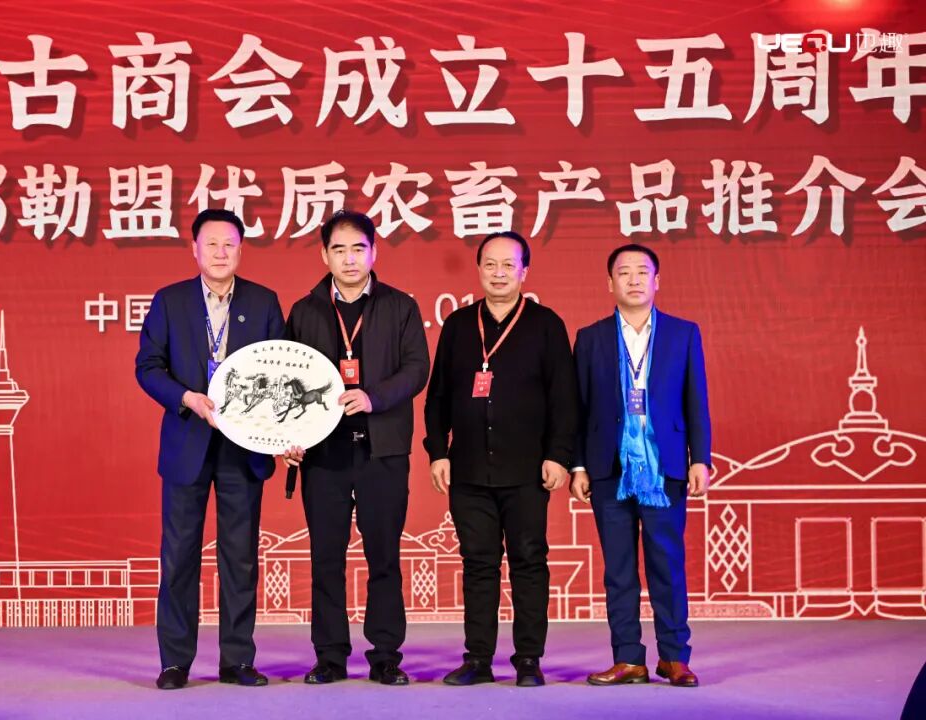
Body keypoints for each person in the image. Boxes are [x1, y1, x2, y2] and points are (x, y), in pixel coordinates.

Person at [136, 208, 284, 690]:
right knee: (179, 555)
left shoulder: (263, 301)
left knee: (239, 556)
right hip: (188, 440)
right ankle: (174, 662)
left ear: (241, 250)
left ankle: (237, 660)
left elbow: (281, 374)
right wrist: (186, 398)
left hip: (244, 446)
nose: (221, 253)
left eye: (229, 244)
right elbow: (148, 367)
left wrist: (281, 431)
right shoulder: (170, 301)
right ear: (194, 250)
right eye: (211, 244)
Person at [423, 230, 578, 687]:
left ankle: (528, 659)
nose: (498, 273)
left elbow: (564, 399)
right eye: (490, 264)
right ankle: (478, 659)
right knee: (478, 565)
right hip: (469, 469)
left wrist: (558, 456)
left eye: (509, 265)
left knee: (529, 562)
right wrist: (438, 452)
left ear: (524, 271)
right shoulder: (458, 325)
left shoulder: (546, 325)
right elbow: (437, 397)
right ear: (478, 269)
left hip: (527, 470)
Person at [283, 210, 430, 686]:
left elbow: (416, 368)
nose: (349, 259)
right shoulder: (305, 311)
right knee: (326, 558)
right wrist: (288, 437)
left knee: (384, 556)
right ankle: (329, 656)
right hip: (324, 454)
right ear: (324, 255)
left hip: (382, 450)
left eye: (358, 249)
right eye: (339, 249)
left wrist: (373, 397)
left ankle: (385, 655)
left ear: (374, 251)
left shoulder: (400, 306)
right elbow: (286, 381)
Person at [571, 243, 711, 688]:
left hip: (664, 468)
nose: (633, 280)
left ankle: (674, 657)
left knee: (667, 564)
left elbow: (696, 401)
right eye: (623, 272)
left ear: (657, 281)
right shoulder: (590, 338)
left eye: (642, 271)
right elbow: (578, 408)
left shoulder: (683, 333)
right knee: (618, 570)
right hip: (608, 467)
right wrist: (578, 466)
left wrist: (700, 459)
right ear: (609, 282)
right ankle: (628, 658)